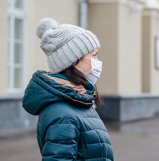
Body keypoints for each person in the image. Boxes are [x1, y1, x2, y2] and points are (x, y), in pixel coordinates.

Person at [22, 18, 114, 161]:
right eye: (93, 55)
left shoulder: (80, 100)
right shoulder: (62, 114)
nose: (97, 62)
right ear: (73, 61)